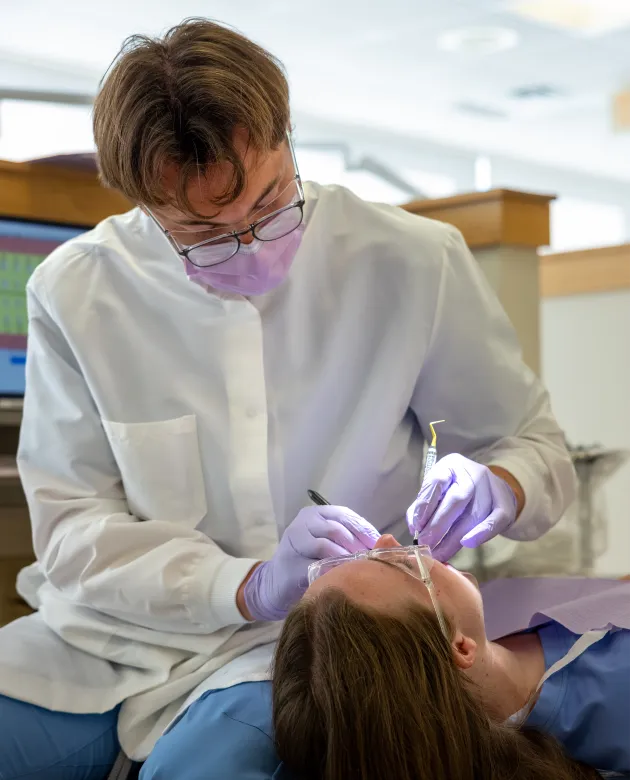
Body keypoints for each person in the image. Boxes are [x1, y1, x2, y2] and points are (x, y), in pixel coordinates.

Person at [0, 16, 575, 780]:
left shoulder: (409, 262)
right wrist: (247, 584)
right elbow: (73, 532)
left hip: (295, 656)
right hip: (101, 640)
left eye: (273, 203)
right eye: (205, 233)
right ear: (143, 204)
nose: (253, 245)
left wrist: (496, 488)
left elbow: (533, 449)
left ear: (288, 137)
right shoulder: (77, 291)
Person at [272, 535, 630, 779]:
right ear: (460, 648)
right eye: (404, 566)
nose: (387, 540)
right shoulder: (611, 706)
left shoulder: (494, 607)